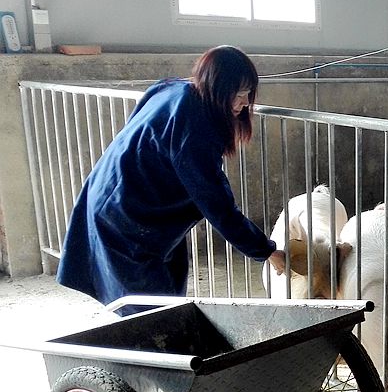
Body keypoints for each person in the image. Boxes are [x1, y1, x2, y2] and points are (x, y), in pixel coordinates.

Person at [57, 45, 285, 316]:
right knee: (150, 314)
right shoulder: (196, 126)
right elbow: (217, 204)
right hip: (127, 218)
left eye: (248, 92)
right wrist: (266, 251)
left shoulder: (172, 88)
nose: (245, 102)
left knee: (170, 291)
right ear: (217, 87)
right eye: (237, 93)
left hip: (124, 198)